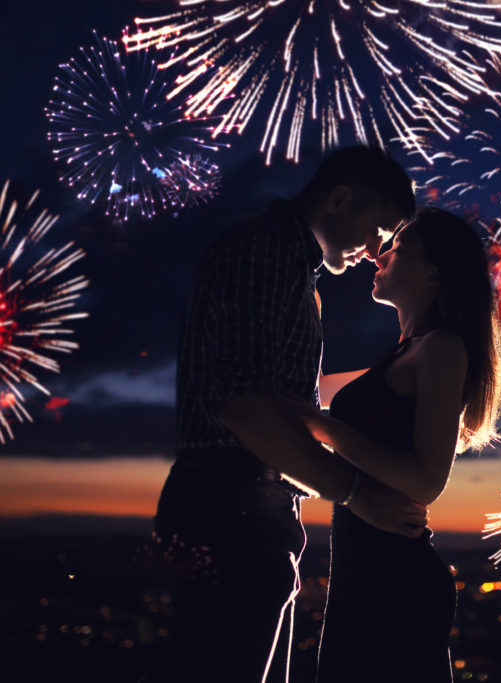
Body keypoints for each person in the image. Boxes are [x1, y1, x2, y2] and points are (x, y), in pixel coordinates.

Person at [155, 146, 426, 683]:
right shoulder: (264, 251)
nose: (377, 252)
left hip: (239, 502)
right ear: (340, 199)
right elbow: (244, 404)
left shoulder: (289, 267)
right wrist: (354, 492)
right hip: (230, 503)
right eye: (378, 231)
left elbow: (274, 397)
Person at [281, 208, 501, 682]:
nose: (380, 255)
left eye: (398, 249)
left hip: (393, 581)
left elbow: (426, 481)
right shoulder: (402, 354)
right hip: (363, 574)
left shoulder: (442, 348)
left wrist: (326, 429)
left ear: (432, 274)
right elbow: (303, 391)